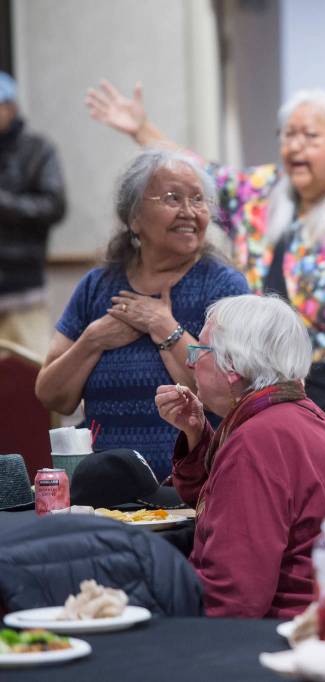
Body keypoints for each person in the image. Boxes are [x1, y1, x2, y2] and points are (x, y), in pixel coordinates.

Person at [86, 82, 325, 412]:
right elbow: (197, 173)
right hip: (281, 375)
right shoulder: (262, 191)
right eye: (288, 135)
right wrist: (142, 130)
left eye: (310, 136)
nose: (295, 146)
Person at [155, 294, 325, 618]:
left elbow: (233, 598)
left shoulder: (258, 440)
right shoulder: (294, 414)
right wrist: (196, 433)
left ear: (232, 367)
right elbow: (220, 503)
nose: (190, 362)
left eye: (200, 351)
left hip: (291, 630)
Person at [35, 149, 249, 479]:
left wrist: (166, 328)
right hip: (102, 487)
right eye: (172, 198)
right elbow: (52, 395)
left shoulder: (223, 287)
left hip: (194, 483)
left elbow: (228, 393)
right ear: (134, 216)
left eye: (198, 199)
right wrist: (93, 339)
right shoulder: (98, 286)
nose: (189, 211)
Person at [0, 71, 66, 358]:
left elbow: (54, 205)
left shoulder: (39, 150)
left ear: (11, 108)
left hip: (24, 287)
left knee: (34, 375)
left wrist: (5, 204)